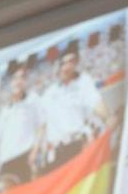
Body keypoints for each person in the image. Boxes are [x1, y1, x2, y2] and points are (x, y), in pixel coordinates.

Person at [36, 45, 111, 175]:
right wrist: (36, 149)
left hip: (78, 145)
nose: (67, 66)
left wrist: (108, 119)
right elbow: (42, 124)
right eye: (63, 63)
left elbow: (97, 103)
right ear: (57, 66)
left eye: (71, 62)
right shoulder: (49, 93)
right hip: (58, 153)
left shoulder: (83, 82)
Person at [0, 65, 44, 187]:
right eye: (15, 78)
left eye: (22, 77)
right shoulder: (5, 109)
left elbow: (42, 125)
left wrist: (35, 151)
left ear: (25, 81)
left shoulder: (33, 99)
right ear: (10, 82)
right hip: (6, 162)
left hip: (25, 157)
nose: (18, 81)